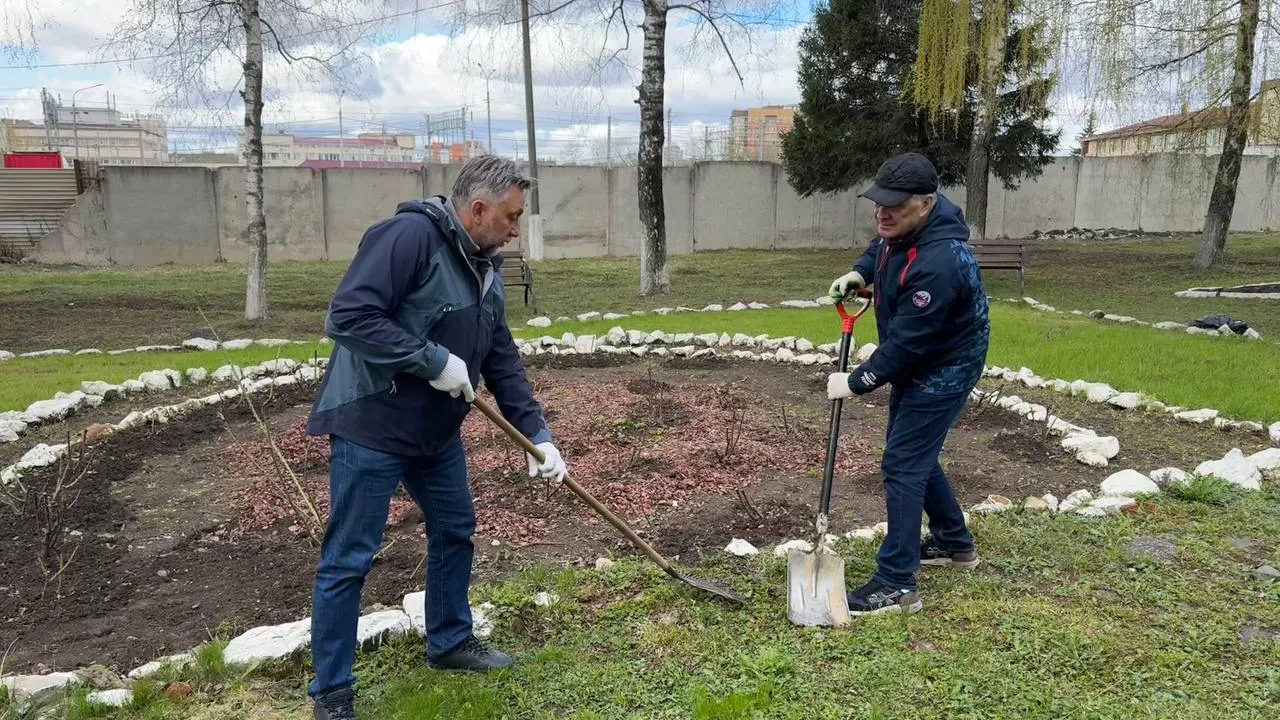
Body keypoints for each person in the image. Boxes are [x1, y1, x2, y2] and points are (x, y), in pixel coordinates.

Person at [303, 154, 569, 720]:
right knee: (349, 558)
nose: (516, 229)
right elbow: (349, 316)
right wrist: (431, 360)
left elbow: (501, 357)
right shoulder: (409, 238)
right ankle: (332, 692)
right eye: (512, 216)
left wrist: (537, 433)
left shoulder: (485, 266)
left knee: (454, 527)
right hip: (372, 424)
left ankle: (449, 641)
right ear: (478, 209)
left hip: (434, 432)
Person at [825, 152, 991, 616]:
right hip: (924, 359)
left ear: (926, 202)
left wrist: (857, 381)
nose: (883, 213)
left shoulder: (940, 262)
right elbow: (881, 248)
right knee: (914, 453)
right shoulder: (907, 227)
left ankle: (897, 583)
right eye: (879, 202)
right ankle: (954, 543)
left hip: (945, 367)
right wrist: (860, 272)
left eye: (895, 205)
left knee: (902, 463)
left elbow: (907, 346)